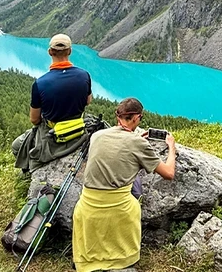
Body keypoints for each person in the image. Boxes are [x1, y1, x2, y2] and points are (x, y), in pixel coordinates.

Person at [72, 98, 177, 272]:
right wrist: (171, 148)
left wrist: (134, 138)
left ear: (118, 117)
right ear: (136, 118)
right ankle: (120, 259)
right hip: (118, 212)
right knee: (134, 192)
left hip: (86, 210)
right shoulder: (138, 143)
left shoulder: (97, 136)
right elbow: (169, 173)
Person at [29, 33, 91, 139]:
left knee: (16, 145)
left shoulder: (40, 83)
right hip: (78, 126)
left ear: (50, 52)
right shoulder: (84, 75)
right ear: (70, 51)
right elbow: (88, 101)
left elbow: (34, 119)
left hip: (53, 131)